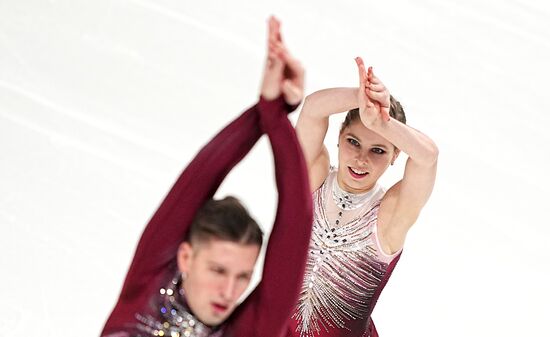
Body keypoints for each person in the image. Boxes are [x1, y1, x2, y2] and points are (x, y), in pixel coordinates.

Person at [101, 16, 313, 337]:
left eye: (243, 276)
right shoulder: (147, 287)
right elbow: (202, 174)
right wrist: (271, 109)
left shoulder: (250, 330)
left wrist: (274, 113)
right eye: (217, 270)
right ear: (186, 257)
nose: (229, 291)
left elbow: (297, 223)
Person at [288, 58, 439, 337]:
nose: (361, 159)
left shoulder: (389, 217)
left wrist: (383, 124)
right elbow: (311, 109)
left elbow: (427, 158)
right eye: (353, 142)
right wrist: (359, 97)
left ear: (395, 155)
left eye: (378, 150)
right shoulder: (312, 179)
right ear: (339, 136)